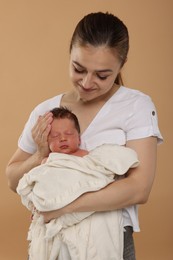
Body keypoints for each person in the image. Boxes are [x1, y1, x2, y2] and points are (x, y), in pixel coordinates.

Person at [6, 11, 163, 259]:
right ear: (69, 54)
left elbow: (138, 189)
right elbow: (13, 180)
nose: (88, 82)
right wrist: (39, 155)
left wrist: (62, 207)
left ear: (121, 65)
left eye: (102, 75)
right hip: (51, 241)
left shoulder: (137, 106)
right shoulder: (46, 112)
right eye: (79, 69)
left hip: (108, 240)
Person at [17, 106, 139, 260]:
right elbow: (42, 187)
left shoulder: (88, 158)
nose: (62, 138)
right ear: (46, 142)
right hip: (57, 213)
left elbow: (100, 174)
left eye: (68, 134)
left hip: (89, 209)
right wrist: (39, 204)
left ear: (79, 138)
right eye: (54, 136)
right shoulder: (48, 162)